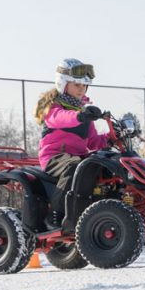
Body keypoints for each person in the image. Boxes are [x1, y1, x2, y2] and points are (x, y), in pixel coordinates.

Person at [35, 58, 109, 230]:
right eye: (77, 85)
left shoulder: (83, 112)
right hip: (54, 157)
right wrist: (80, 116)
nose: (81, 89)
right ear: (63, 83)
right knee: (73, 167)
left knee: (103, 166)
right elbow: (60, 118)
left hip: (78, 156)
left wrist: (111, 139)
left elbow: (93, 142)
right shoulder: (54, 107)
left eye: (84, 86)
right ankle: (55, 213)